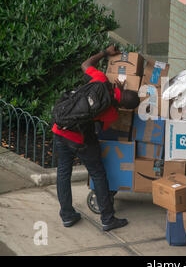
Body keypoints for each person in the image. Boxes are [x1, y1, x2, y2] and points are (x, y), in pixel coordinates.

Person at [52, 45, 140, 231]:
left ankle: (67, 215)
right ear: (125, 106)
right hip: (80, 138)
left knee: (63, 173)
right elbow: (102, 126)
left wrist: (105, 54)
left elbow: (85, 64)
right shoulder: (113, 115)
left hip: (60, 128)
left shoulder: (101, 80)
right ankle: (108, 219)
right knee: (98, 173)